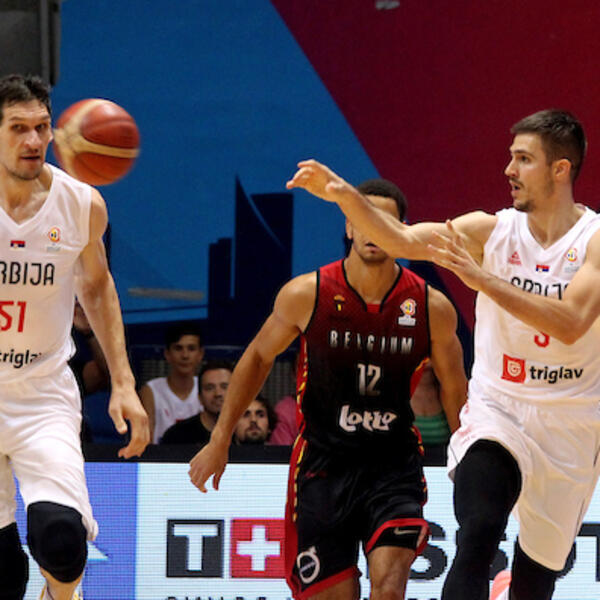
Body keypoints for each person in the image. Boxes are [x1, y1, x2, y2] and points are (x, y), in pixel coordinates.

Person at [285, 109, 600, 600]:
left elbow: (571, 323)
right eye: (510, 157)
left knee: (535, 582)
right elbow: (401, 239)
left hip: (571, 422)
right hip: (500, 408)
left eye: (523, 159)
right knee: (478, 530)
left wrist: (484, 281)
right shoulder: (488, 231)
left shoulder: (594, 240)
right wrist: (344, 195)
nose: (509, 170)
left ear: (560, 169)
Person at [188, 178, 466, 600]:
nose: (372, 229)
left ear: (402, 232)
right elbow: (258, 358)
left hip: (393, 465)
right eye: (363, 218)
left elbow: (455, 386)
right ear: (348, 226)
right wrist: (220, 438)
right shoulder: (308, 294)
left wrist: (468, 456)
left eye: (384, 222)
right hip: (323, 465)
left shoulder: (431, 307)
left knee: (389, 587)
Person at [0, 74, 149, 600]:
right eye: (18, 128)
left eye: (41, 127)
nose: (33, 140)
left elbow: (98, 289)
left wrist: (124, 384)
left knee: (63, 542)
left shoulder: (82, 204)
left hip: (42, 392)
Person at [138, 322, 205, 443]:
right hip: (161, 453)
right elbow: (145, 440)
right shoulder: (150, 391)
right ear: (167, 354)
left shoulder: (208, 388)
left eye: (191, 348)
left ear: (200, 354)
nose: (185, 355)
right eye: (178, 348)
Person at [160, 360, 232, 445]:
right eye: (209, 388)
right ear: (199, 397)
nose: (218, 393)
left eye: (225, 387)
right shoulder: (176, 436)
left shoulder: (244, 434)